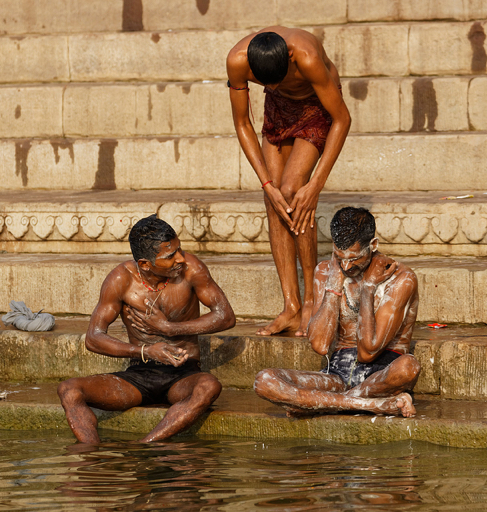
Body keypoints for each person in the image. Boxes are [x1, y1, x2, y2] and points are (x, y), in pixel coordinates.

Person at [58, 215, 236, 443]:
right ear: (145, 264)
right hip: (139, 374)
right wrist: (145, 352)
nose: (180, 259)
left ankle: (146, 445)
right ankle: (90, 458)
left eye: (180, 250)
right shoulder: (121, 279)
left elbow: (226, 316)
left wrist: (170, 329)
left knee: (209, 386)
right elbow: (93, 338)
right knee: (69, 390)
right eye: (170, 256)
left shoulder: (191, 268)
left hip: (183, 375)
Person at [227, 28, 351, 337]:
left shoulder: (307, 57)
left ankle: (311, 301)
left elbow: (342, 119)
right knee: (276, 199)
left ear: (291, 58)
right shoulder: (237, 61)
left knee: (294, 192)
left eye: (279, 79)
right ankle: (291, 307)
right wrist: (266, 184)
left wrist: (316, 185)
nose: (271, 85)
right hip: (278, 109)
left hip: (316, 105)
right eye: (265, 82)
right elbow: (242, 123)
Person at [254, 207, 421, 417]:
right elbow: (320, 345)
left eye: (354, 258)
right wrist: (334, 283)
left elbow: (368, 351)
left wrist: (368, 288)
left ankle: (322, 404)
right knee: (265, 380)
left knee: (408, 367)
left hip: (382, 373)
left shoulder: (400, 278)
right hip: (337, 374)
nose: (346, 266)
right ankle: (371, 405)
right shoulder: (326, 271)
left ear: (373, 245)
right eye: (339, 256)